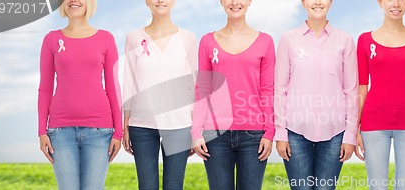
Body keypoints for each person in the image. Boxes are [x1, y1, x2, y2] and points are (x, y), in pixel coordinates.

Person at [190, 0, 276, 189]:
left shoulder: (265, 42)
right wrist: (196, 132)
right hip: (215, 135)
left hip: (254, 136)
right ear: (221, 2)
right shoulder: (207, 41)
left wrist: (269, 132)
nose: (235, 2)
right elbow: (202, 89)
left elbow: (267, 89)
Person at [274, 0, 358, 189]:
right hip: (295, 132)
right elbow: (280, 89)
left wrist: (350, 134)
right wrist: (281, 132)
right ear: (303, 3)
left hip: (335, 133)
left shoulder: (345, 40)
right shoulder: (288, 39)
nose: (318, 2)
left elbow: (351, 91)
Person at [38, 0, 122, 189]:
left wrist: (118, 132)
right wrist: (41, 131)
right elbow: (44, 88)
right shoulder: (51, 39)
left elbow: (113, 87)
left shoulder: (106, 38)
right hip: (60, 133)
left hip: (100, 132)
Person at [355, 0, 405, 189]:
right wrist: (355, 128)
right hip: (373, 124)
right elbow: (361, 87)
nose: (396, 4)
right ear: (380, 2)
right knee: (377, 186)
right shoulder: (365, 40)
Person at [121, 0, 198, 189]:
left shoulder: (188, 38)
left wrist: (195, 130)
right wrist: (125, 125)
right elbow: (129, 82)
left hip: (179, 125)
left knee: (174, 186)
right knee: (147, 186)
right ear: (147, 2)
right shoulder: (134, 37)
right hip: (141, 125)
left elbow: (194, 86)